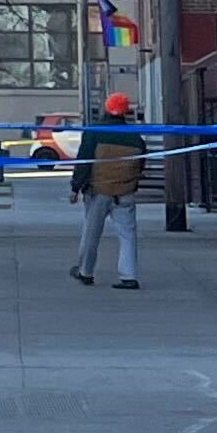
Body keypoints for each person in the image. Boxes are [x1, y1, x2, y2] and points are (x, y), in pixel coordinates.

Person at [69, 91, 144, 292]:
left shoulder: (94, 131)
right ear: (125, 112)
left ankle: (86, 272)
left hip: (98, 191)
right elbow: (141, 164)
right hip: (125, 192)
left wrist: (76, 187)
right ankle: (129, 276)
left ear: (106, 108)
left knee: (91, 232)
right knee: (127, 235)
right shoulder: (135, 137)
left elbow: (84, 161)